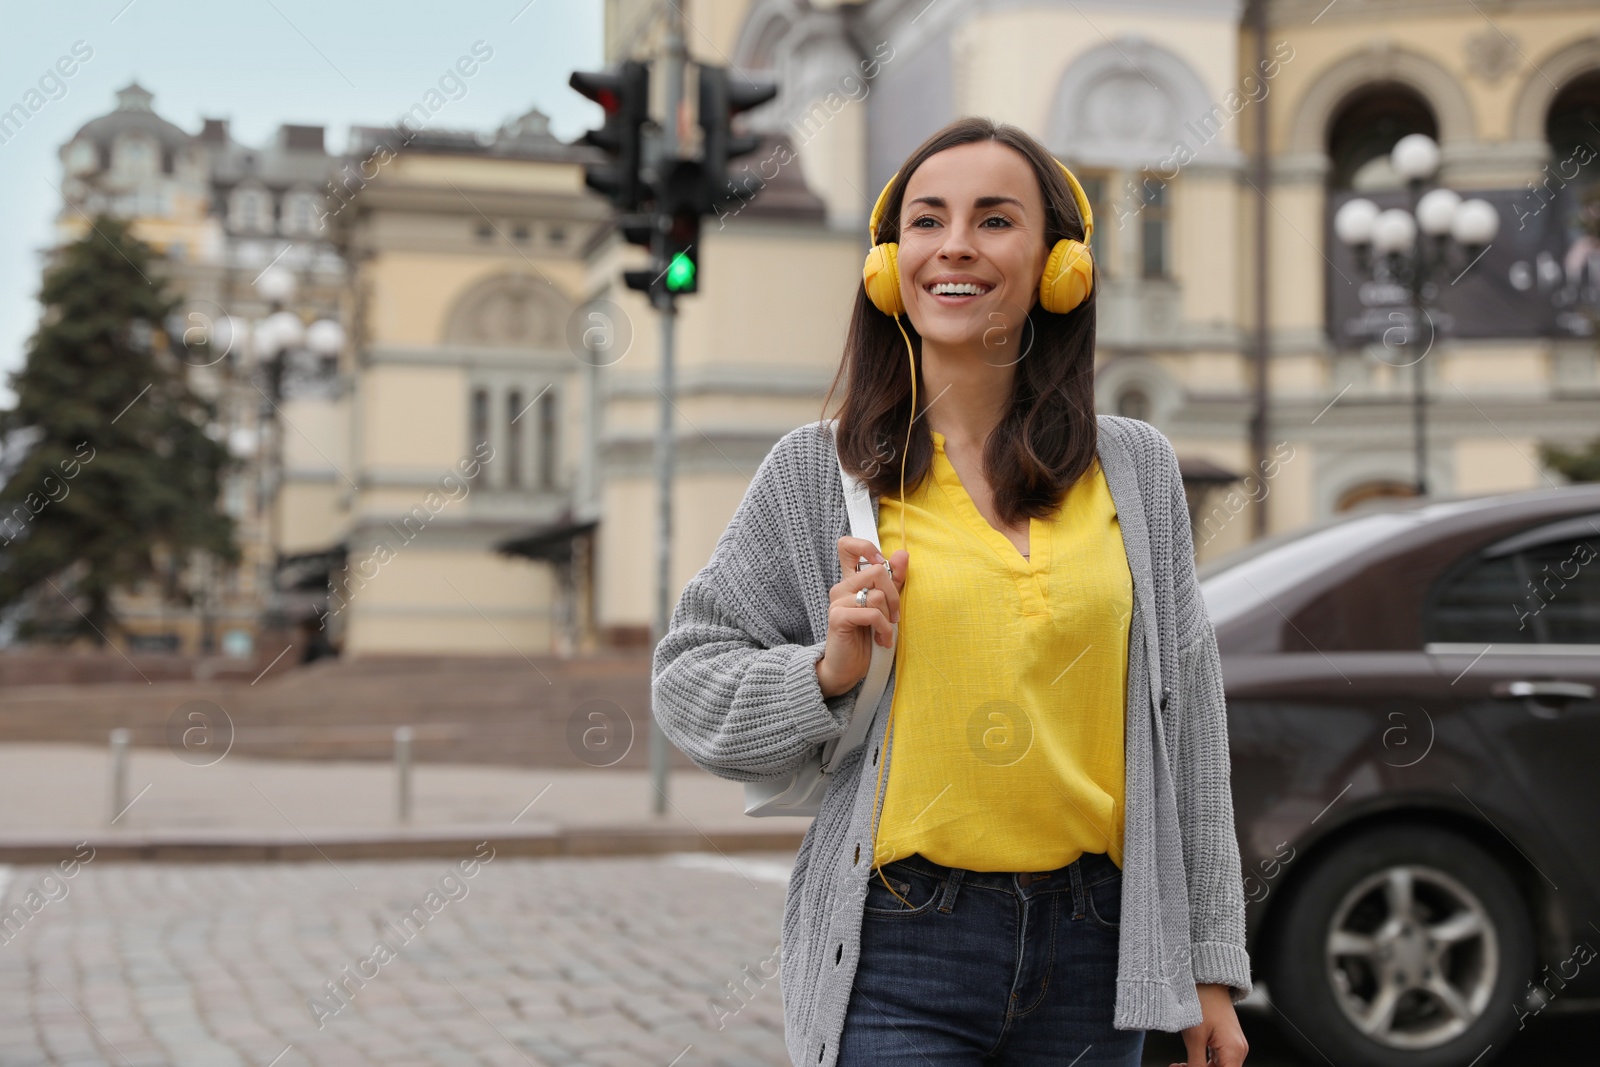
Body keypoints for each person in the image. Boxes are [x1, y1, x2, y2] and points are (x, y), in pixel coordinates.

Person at [652, 116, 1251, 1067]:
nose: (956, 244)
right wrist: (823, 672)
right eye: (928, 221)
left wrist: (1209, 965)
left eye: (995, 219)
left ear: (1061, 266)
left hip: (1101, 946)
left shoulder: (1137, 468)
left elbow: (1192, 729)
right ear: (893, 265)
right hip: (901, 945)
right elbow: (687, 676)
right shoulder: (822, 471)